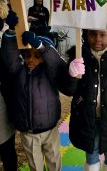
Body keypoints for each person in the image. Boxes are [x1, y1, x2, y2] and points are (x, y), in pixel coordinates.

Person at [63, 17, 107, 171]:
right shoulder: (78, 56)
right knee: (91, 153)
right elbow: (68, 90)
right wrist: (71, 74)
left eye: (102, 34)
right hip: (86, 118)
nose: (97, 39)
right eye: (92, 34)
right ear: (85, 34)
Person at [1, 16, 70, 171]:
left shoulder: (50, 71)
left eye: (37, 56)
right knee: (35, 165)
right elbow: (10, 57)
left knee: (54, 162)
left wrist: (41, 47)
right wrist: (11, 31)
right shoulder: (19, 70)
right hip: (28, 132)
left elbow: (56, 62)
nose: (31, 59)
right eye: (28, 55)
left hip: (50, 129)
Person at [0, 0, 18, 171]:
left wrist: (11, 32)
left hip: (3, 99)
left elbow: (12, 65)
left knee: (7, 149)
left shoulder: (4, 28)